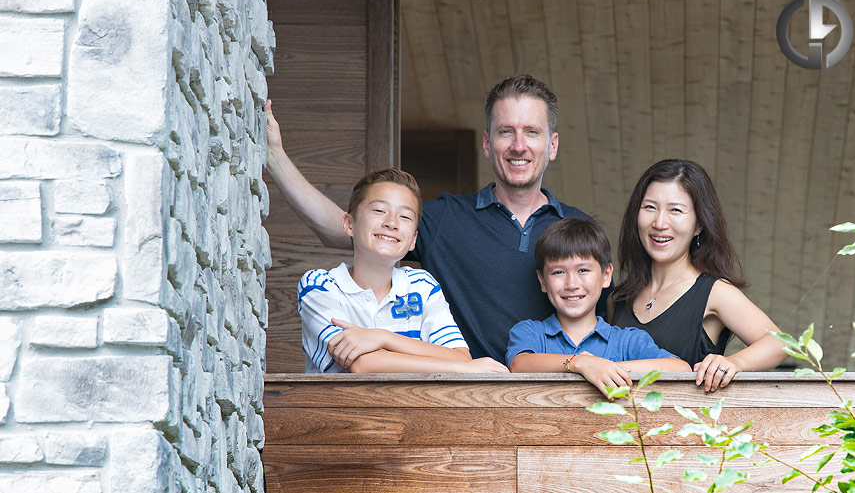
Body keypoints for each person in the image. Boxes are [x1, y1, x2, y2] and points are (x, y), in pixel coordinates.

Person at [265, 74, 593, 363]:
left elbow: (602, 323)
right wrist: (276, 159)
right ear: (487, 143)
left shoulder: (580, 231)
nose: (518, 145)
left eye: (532, 132)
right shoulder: (446, 219)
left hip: (549, 403)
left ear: (552, 145)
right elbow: (348, 230)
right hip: (456, 405)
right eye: (506, 131)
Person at [298, 168, 509, 374]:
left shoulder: (422, 285)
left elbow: (459, 355)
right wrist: (460, 368)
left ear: (413, 240)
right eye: (379, 210)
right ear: (349, 224)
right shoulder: (320, 285)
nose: (391, 223)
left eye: (405, 217)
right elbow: (363, 365)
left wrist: (382, 337)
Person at [610, 159, 788, 391]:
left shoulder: (714, 292)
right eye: (650, 207)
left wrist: (735, 362)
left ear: (699, 225)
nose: (660, 223)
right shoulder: (619, 298)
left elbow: (781, 344)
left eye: (676, 210)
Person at [507, 218, 690, 395]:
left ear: (606, 275)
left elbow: (680, 368)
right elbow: (519, 364)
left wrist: (605, 368)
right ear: (542, 280)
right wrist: (580, 364)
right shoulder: (530, 332)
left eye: (583, 270)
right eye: (559, 272)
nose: (571, 284)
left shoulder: (626, 340)